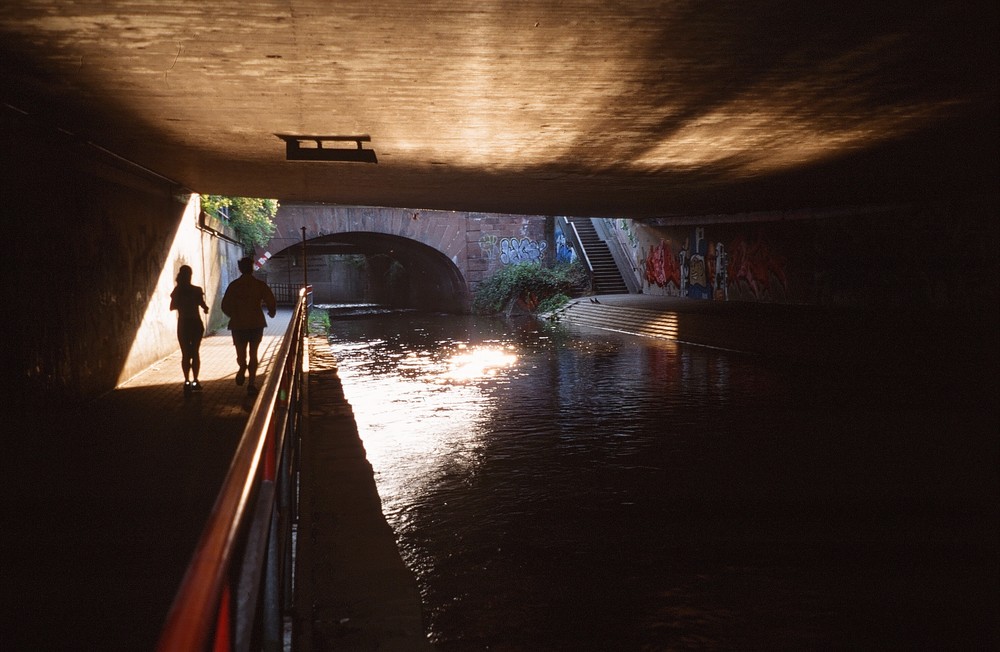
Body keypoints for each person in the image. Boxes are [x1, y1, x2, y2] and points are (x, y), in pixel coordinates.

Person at [221, 256, 277, 395]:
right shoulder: (259, 285)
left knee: (241, 353)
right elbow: (270, 300)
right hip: (256, 323)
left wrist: (233, 315)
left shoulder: (234, 286)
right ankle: (251, 383)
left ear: (240, 269)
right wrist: (271, 311)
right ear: (252, 269)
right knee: (254, 353)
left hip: (238, 324)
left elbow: (225, 305)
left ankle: (241, 367)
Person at [169, 264, 209, 395]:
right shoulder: (197, 290)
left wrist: (182, 302)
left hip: (183, 324)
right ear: (190, 275)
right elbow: (204, 307)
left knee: (186, 354)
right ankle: (196, 380)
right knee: (195, 352)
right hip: (196, 324)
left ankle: (186, 381)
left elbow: (172, 307)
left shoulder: (177, 291)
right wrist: (203, 307)